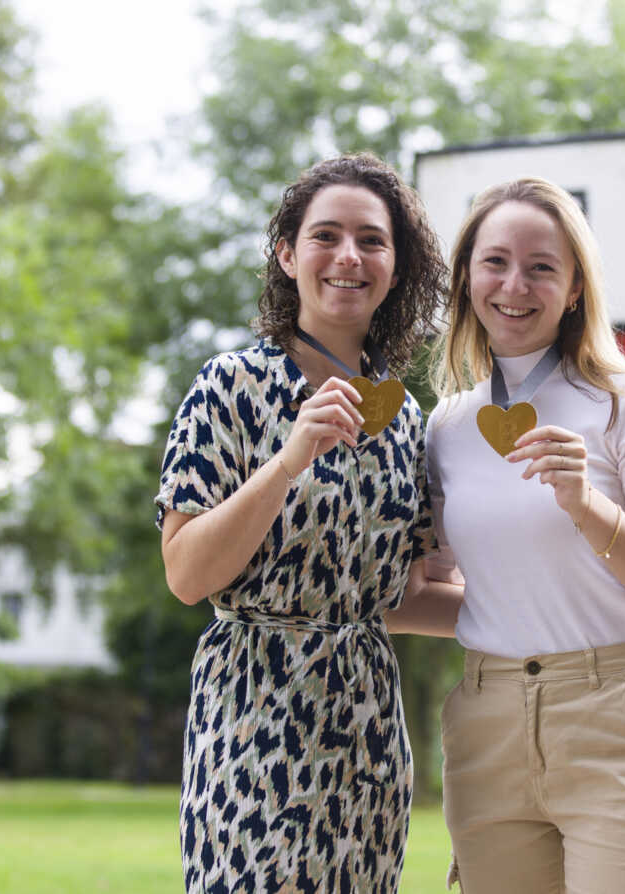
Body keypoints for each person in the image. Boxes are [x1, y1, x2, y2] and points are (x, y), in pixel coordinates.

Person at [154, 152, 460, 894]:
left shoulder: (405, 416)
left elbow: (407, 597)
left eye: (372, 240)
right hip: (252, 716)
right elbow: (188, 575)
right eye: (326, 235)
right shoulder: (228, 387)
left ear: (396, 265)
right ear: (288, 255)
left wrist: (587, 621)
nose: (348, 256)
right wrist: (289, 459)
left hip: (366, 725)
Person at [414, 177, 625, 893]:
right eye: (495, 262)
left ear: (576, 287)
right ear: (465, 277)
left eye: (542, 267)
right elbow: (420, 596)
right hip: (487, 725)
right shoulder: (446, 426)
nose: (514, 284)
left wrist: (587, 507)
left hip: (619, 717)